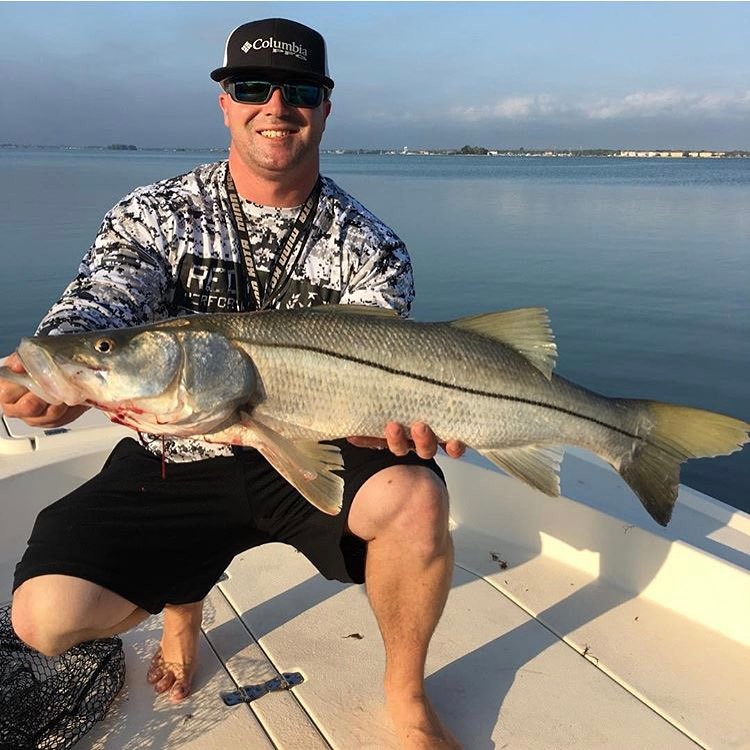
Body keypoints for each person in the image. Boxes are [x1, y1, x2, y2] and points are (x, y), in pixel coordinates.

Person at [0, 18, 464, 750]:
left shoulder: (370, 246)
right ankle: (184, 599)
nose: (276, 106)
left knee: (417, 493)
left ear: (324, 106)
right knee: (45, 619)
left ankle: (405, 695)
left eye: (300, 90)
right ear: (225, 103)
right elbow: (103, 303)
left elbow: (380, 376)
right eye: (253, 87)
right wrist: (54, 375)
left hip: (314, 440)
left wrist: (400, 424)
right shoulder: (155, 214)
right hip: (174, 453)